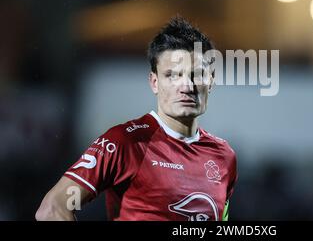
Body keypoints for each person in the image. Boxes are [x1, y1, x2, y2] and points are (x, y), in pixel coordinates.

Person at [35, 16, 238, 221]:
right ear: (154, 82)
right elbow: (53, 208)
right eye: (173, 75)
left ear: (211, 82)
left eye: (197, 75)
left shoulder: (224, 156)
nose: (187, 87)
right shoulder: (124, 142)